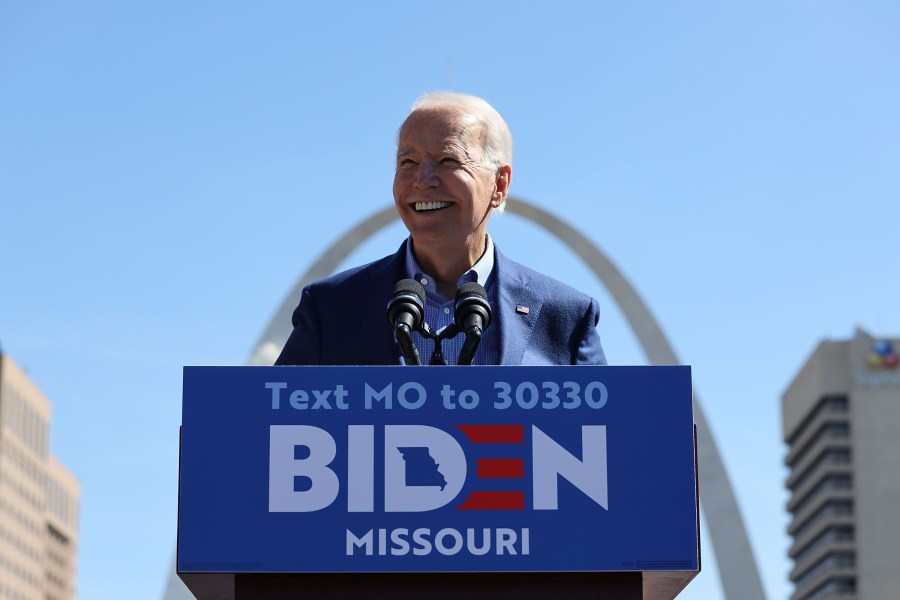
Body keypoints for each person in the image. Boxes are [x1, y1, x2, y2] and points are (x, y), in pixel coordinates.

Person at [276, 92, 607, 366]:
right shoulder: (329, 309)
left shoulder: (567, 317)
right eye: (408, 162)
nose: (422, 180)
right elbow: (271, 429)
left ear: (499, 184)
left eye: (448, 160)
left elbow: (604, 436)